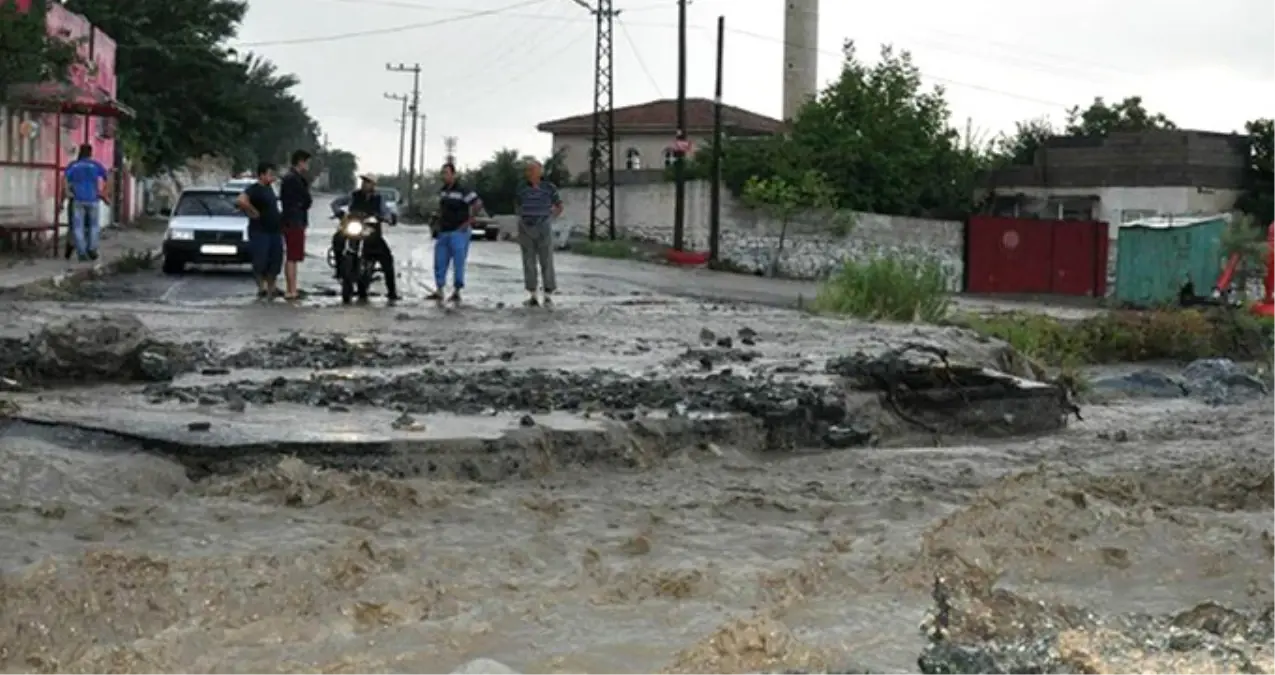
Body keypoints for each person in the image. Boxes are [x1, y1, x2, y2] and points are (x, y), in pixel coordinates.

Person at [331, 175, 399, 301]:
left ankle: (392, 292)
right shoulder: (353, 195)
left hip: (371, 232)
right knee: (337, 239)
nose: (364, 184)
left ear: (373, 185)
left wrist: (389, 218)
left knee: (387, 259)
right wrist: (339, 212)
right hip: (354, 229)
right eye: (363, 181)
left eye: (368, 182)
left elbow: (387, 212)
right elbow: (336, 203)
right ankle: (339, 268)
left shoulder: (379, 199)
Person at [428, 163, 481, 303]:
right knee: (439, 261)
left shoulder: (463, 190)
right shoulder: (443, 191)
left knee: (458, 262)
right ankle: (439, 289)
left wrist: (469, 221)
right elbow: (441, 209)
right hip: (444, 231)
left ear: (453, 174)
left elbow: (477, 204)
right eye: (442, 173)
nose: (444, 175)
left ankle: (457, 291)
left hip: (459, 231)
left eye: (446, 173)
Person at [514, 159, 563, 306]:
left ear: (540, 172)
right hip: (526, 226)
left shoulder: (549, 187)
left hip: (543, 225)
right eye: (528, 170)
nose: (529, 173)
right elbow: (517, 205)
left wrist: (549, 217)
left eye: (533, 170)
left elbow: (559, 205)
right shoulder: (521, 188)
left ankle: (548, 293)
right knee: (528, 260)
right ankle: (533, 294)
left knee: (546, 259)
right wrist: (521, 219)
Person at [236, 162, 283, 299]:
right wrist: (252, 210)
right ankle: (261, 288)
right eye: (270, 174)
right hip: (260, 231)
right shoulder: (254, 189)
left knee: (275, 260)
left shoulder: (271, 188)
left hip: (274, 231)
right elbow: (240, 200)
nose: (272, 177)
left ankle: (272, 287)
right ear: (261, 175)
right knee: (260, 260)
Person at [62, 143, 111, 261]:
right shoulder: (95, 165)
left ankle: (82, 252)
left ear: (80, 152)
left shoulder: (74, 166)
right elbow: (107, 177)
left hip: (78, 199)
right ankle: (92, 249)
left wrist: (68, 192)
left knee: (77, 227)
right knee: (94, 226)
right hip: (93, 199)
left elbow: (64, 179)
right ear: (90, 153)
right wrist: (104, 193)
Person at [278, 149, 312, 301]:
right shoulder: (294, 179)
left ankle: (292, 288)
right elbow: (304, 200)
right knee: (292, 256)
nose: (308, 165)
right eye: (306, 162)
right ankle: (291, 290)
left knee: (294, 256)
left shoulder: (291, 178)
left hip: (292, 220)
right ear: (300, 161)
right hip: (294, 221)